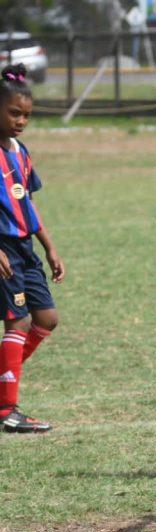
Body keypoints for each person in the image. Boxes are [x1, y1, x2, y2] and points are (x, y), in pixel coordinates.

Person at [0, 64, 64, 433]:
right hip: (3, 249)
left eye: (26, 115)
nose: (21, 121)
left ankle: (3, 384)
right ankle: (6, 408)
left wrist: (50, 246)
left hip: (25, 247)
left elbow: (27, 202)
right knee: (19, 320)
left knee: (46, 319)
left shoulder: (20, 151)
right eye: (14, 113)